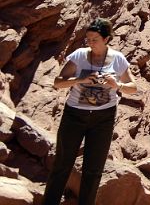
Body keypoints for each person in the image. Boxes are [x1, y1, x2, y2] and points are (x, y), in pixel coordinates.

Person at [43, 18, 137, 205]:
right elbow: (58, 82)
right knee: (62, 164)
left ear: (106, 39)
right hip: (74, 115)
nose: (90, 43)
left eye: (95, 39)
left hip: (103, 118)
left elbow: (133, 87)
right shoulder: (79, 56)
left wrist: (116, 84)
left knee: (93, 169)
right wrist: (80, 80)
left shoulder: (118, 59)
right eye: (88, 39)